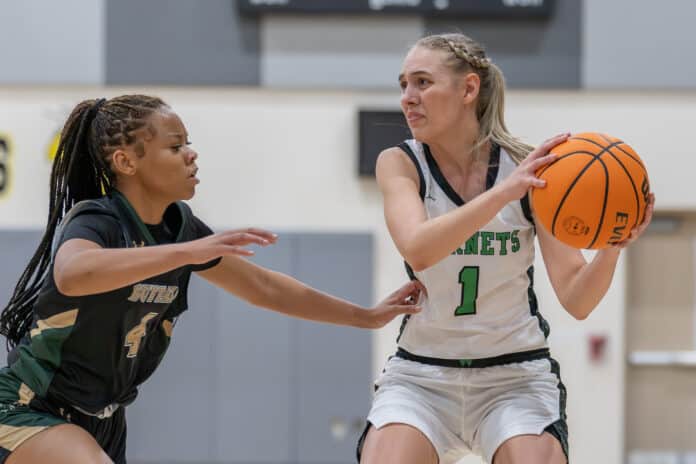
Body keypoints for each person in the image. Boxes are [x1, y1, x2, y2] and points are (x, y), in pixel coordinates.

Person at [0, 95, 422, 464]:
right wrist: (190, 252)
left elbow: (265, 288)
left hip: (106, 419)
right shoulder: (99, 218)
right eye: (175, 146)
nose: (191, 155)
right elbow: (73, 274)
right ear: (126, 161)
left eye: (189, 144)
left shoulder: (180, 227)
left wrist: (365, 317)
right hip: (31, 405)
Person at [357, 33, 655, 464]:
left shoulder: (532, 171)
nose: (408, 97)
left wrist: (612, 247)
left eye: (422, 82)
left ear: (468, 89)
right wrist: (502, 195)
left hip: (514, 373)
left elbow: (577, 298)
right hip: (423, 374)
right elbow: (419, 249)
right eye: (403, 84)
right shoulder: (401, 163)